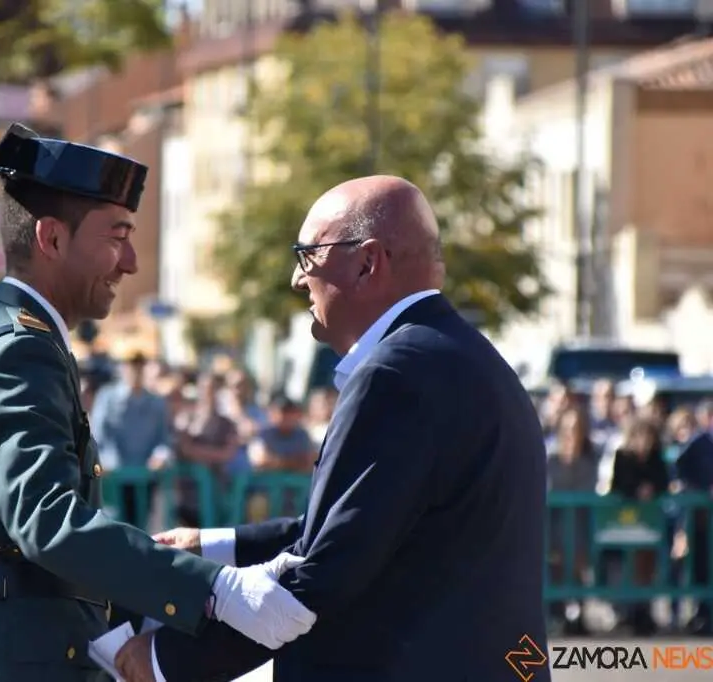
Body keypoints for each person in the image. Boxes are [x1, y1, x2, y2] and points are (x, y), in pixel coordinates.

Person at [0, 124, 315, 682]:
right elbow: (47, 521)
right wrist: (213, 589)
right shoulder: (20, 351)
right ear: (51, 239)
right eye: (116, 235)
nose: (130, 263)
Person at [115, 176, 551, 682]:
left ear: (367, 263)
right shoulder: (451, 355)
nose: (299, 279)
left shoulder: (398, 373)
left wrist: (164, 660)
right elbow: (357, 532)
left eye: (308, 255)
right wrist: (210, 545)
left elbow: (324, 575)